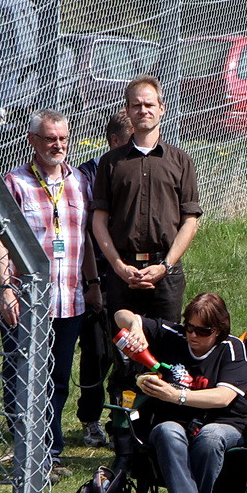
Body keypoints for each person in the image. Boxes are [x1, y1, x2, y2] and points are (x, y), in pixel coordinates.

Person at [0, 108, 98, 482]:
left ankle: (49, 454)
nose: (58, 145)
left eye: (63, 138)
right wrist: (6, 290)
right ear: (33, 141)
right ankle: (26, 451)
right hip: (26, 302)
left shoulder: (81, 182)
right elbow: (2, 241)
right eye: (50, 138)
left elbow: (83, 240)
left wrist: (95, 287)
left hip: (69, 300)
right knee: (21, 378)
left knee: (58, 380)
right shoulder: (15, 182)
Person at [114, 293, 247, 493]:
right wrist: (136, 327)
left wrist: (176, 395)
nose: (193, 335)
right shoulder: (172, 334)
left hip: (224, 422)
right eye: (189, 327)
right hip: (174, 420)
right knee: (166, 431)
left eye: (203, 330)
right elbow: (120, 315)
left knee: (210, 438)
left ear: (219, 329)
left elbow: (223, 397)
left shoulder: (232, 348)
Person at [91, 74, 201, 326]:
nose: (143, 110)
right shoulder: (111, 162)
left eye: (149, 105)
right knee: (125, 351)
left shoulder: (181, 161)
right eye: (137, 105)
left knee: (166, 349)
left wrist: (165, 266)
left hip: (166, 273)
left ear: (162, 108)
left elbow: (190, 222)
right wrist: (119, 267)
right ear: (127, 110)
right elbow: (99, 222)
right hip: (123, 272)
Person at [75, 109, 133, 448]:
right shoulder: (89, 175)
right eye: (130, 140)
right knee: (95, 351)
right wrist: (93, 283)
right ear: (114, 141)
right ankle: (90, 418)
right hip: (95, 276)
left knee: (128, 350)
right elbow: (84, 232)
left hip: (130, 276)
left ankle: (122, 419)